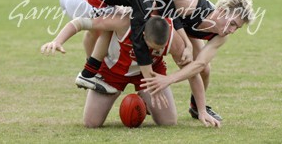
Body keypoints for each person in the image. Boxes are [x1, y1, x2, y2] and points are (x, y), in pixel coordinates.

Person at [41, 15, 220, 127]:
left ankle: (143, 98)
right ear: (143, 36)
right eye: (153, 48)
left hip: (150, 75)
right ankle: (140, 99)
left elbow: (193, 74)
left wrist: (202, 110)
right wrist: (58, 40)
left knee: (168, 122)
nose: (156, 51)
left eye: (160, 48)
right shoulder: (123, 21)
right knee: (91, 123)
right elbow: (81, 22)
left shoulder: (173, 38)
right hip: (112, 71)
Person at [55, 0, 198, 94]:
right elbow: (138, 38)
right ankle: (89, 74)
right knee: (116, 22)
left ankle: (93, 71)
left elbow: (169, 9)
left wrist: (188, 44)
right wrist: (149, 80)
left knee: (114, 20)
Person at [141, 0, 255, 115]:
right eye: (232, 24)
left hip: (187, 30)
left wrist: (169, 79)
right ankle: (143, 89)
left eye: (237, 28)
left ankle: (196, 106)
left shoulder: (221, 36)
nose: (232, 31)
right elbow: (161, 2)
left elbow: (200, 64)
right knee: (181, 56)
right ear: (221, 11)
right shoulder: (190, 2)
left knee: (205, 70)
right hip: (162, 20)